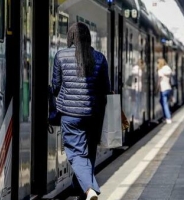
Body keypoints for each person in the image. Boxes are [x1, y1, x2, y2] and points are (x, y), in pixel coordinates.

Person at [52, 22, 111, 200]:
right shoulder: (100, 58)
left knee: (77, 154)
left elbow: (55, 87)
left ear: (70, 37)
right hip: (93, 114)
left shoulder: (61, 56)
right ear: (89, 37)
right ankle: (80, 189)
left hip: (70, 115)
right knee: (89, 152)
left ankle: (89, 190)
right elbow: (105, 89)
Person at [157, 58, 172, 124]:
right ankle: (166, 116)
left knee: (164, 103)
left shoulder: (160, 70)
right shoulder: (168, 68)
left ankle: (168, 117)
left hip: (163, 88)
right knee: (163, 102)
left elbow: (159, 80)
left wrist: (156, 88)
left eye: (157, 63)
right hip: (168, 88)